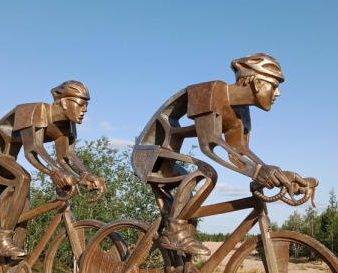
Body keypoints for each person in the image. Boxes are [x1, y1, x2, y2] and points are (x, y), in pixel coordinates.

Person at [132, 53, 313, 256]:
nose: (277, 93)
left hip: (169, 160)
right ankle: (173, 232)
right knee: (206, 173)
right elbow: (209, 144)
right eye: (274, 85)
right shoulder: (208, 92)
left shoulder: (241, 111)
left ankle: (178, 266)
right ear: (256, 83)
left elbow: (239, 152)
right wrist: (257, 172)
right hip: (149, 156)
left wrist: (279, 175)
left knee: (190, 213)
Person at [0, 80, 106, 258]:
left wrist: (85, 176)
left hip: (9, 162)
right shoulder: (34, 111)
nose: (85, 110)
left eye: (86, 105)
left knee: (24, 208)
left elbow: (65, 156)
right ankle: (1, 240)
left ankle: (13, 259)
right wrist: (55, 172)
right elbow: (32, 150)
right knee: (23, 178)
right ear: (64, 103)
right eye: (81, 104)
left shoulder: (67, 124)